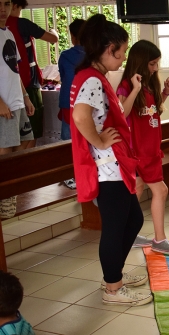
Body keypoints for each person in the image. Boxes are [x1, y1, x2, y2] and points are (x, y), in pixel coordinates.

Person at [71, 13, 152, 306]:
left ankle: (114, 273)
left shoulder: (93, 76)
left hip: (114, 165)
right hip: (107, 168)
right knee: (116, 226)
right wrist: (100, 140)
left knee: (134, 219)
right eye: (121, 53)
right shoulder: (91, 79)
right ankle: (113, 288)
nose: (121, 60)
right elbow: (80, 116)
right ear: (109, 49)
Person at [116, 40, 169, 255]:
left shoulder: (149, 84)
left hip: (151, 146)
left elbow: (153, 112)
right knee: (160, 190)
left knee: (137, 188)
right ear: (141, 62)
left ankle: (128, 232)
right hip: (138, 149)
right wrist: (135, 88)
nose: (155, 68)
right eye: (152, 63)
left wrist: (165, 93)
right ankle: (159, 239)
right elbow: (122, 114)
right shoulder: (128, 85)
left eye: (157, 64)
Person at [7, 0, 58, 148]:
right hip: (29, 84)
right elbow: (53, 39)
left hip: (11, 87)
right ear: (16, 6)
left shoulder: (4, 29)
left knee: (14, 133)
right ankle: (25, 166)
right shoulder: (22, 23)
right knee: (31, 133)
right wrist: (54, 31)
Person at [0, 0, 35, 220]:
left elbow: (14, 71)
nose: (2, 9)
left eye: (6, 4)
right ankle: (4, 202)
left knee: (24, 145)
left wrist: (26, 96)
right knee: (5, 151)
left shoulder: (9, 33)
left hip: (17, 102)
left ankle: (10, 197)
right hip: (4, 104)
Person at [58, 18, 85, 190]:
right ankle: (84, 174)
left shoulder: (66, 56)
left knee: (67, 141)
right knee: (85, 139)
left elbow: (63, 77)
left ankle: (69, 176)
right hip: (87, 103)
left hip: (69, 102)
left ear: (74, 37)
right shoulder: (95, 55)